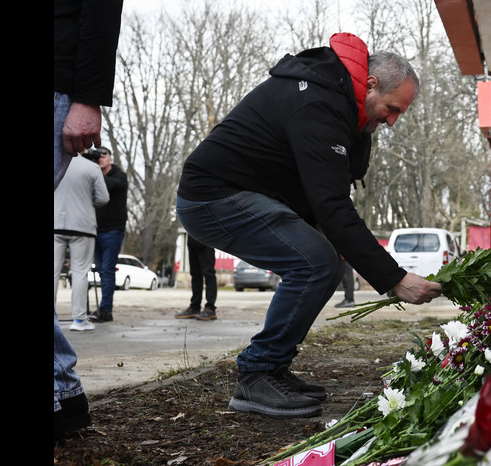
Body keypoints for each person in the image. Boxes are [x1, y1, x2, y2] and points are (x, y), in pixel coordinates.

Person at [176, 32, 443, 419]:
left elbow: (316, 185)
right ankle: (256, 374)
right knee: (315, 261)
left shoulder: (342, 103)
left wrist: (325, 231)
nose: (392, 120)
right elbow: (332, 204)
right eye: (392, 108)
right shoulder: (319, 102)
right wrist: (395, 279)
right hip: (212, 196)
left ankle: (273, 368)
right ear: (370, 85)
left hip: (250, 194)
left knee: (325, 260)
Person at [54, 0, 123, 444]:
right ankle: (63, 393)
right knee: (78, 276)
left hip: (59, 87)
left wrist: (87, 96)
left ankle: (61, 392)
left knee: (84, 274)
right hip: (77, 229)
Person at [54, 155, 110, 331]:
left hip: (55, 223)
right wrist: (86, 200)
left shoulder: (56, 163)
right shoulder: (91, 167)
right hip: (82, 224)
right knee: (80, 272)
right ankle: (79, 319)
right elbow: (103, 197)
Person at [89, 145, 128, 323]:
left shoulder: (119, 176)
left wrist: (93, 170)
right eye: (98, 155)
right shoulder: (93, 175)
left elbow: (112, 185)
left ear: (111, 158)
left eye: (104, 155)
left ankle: (106, 310)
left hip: (113, 230)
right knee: (100, 270)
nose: (101, 158)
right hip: (94, 229)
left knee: (107, 270)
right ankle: (102, 308)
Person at [175, 236, 219, 321]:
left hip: (206, 240)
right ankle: (195, 307)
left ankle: (210, 308)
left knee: (209, 274)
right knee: (195, 274)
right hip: (192, 240)